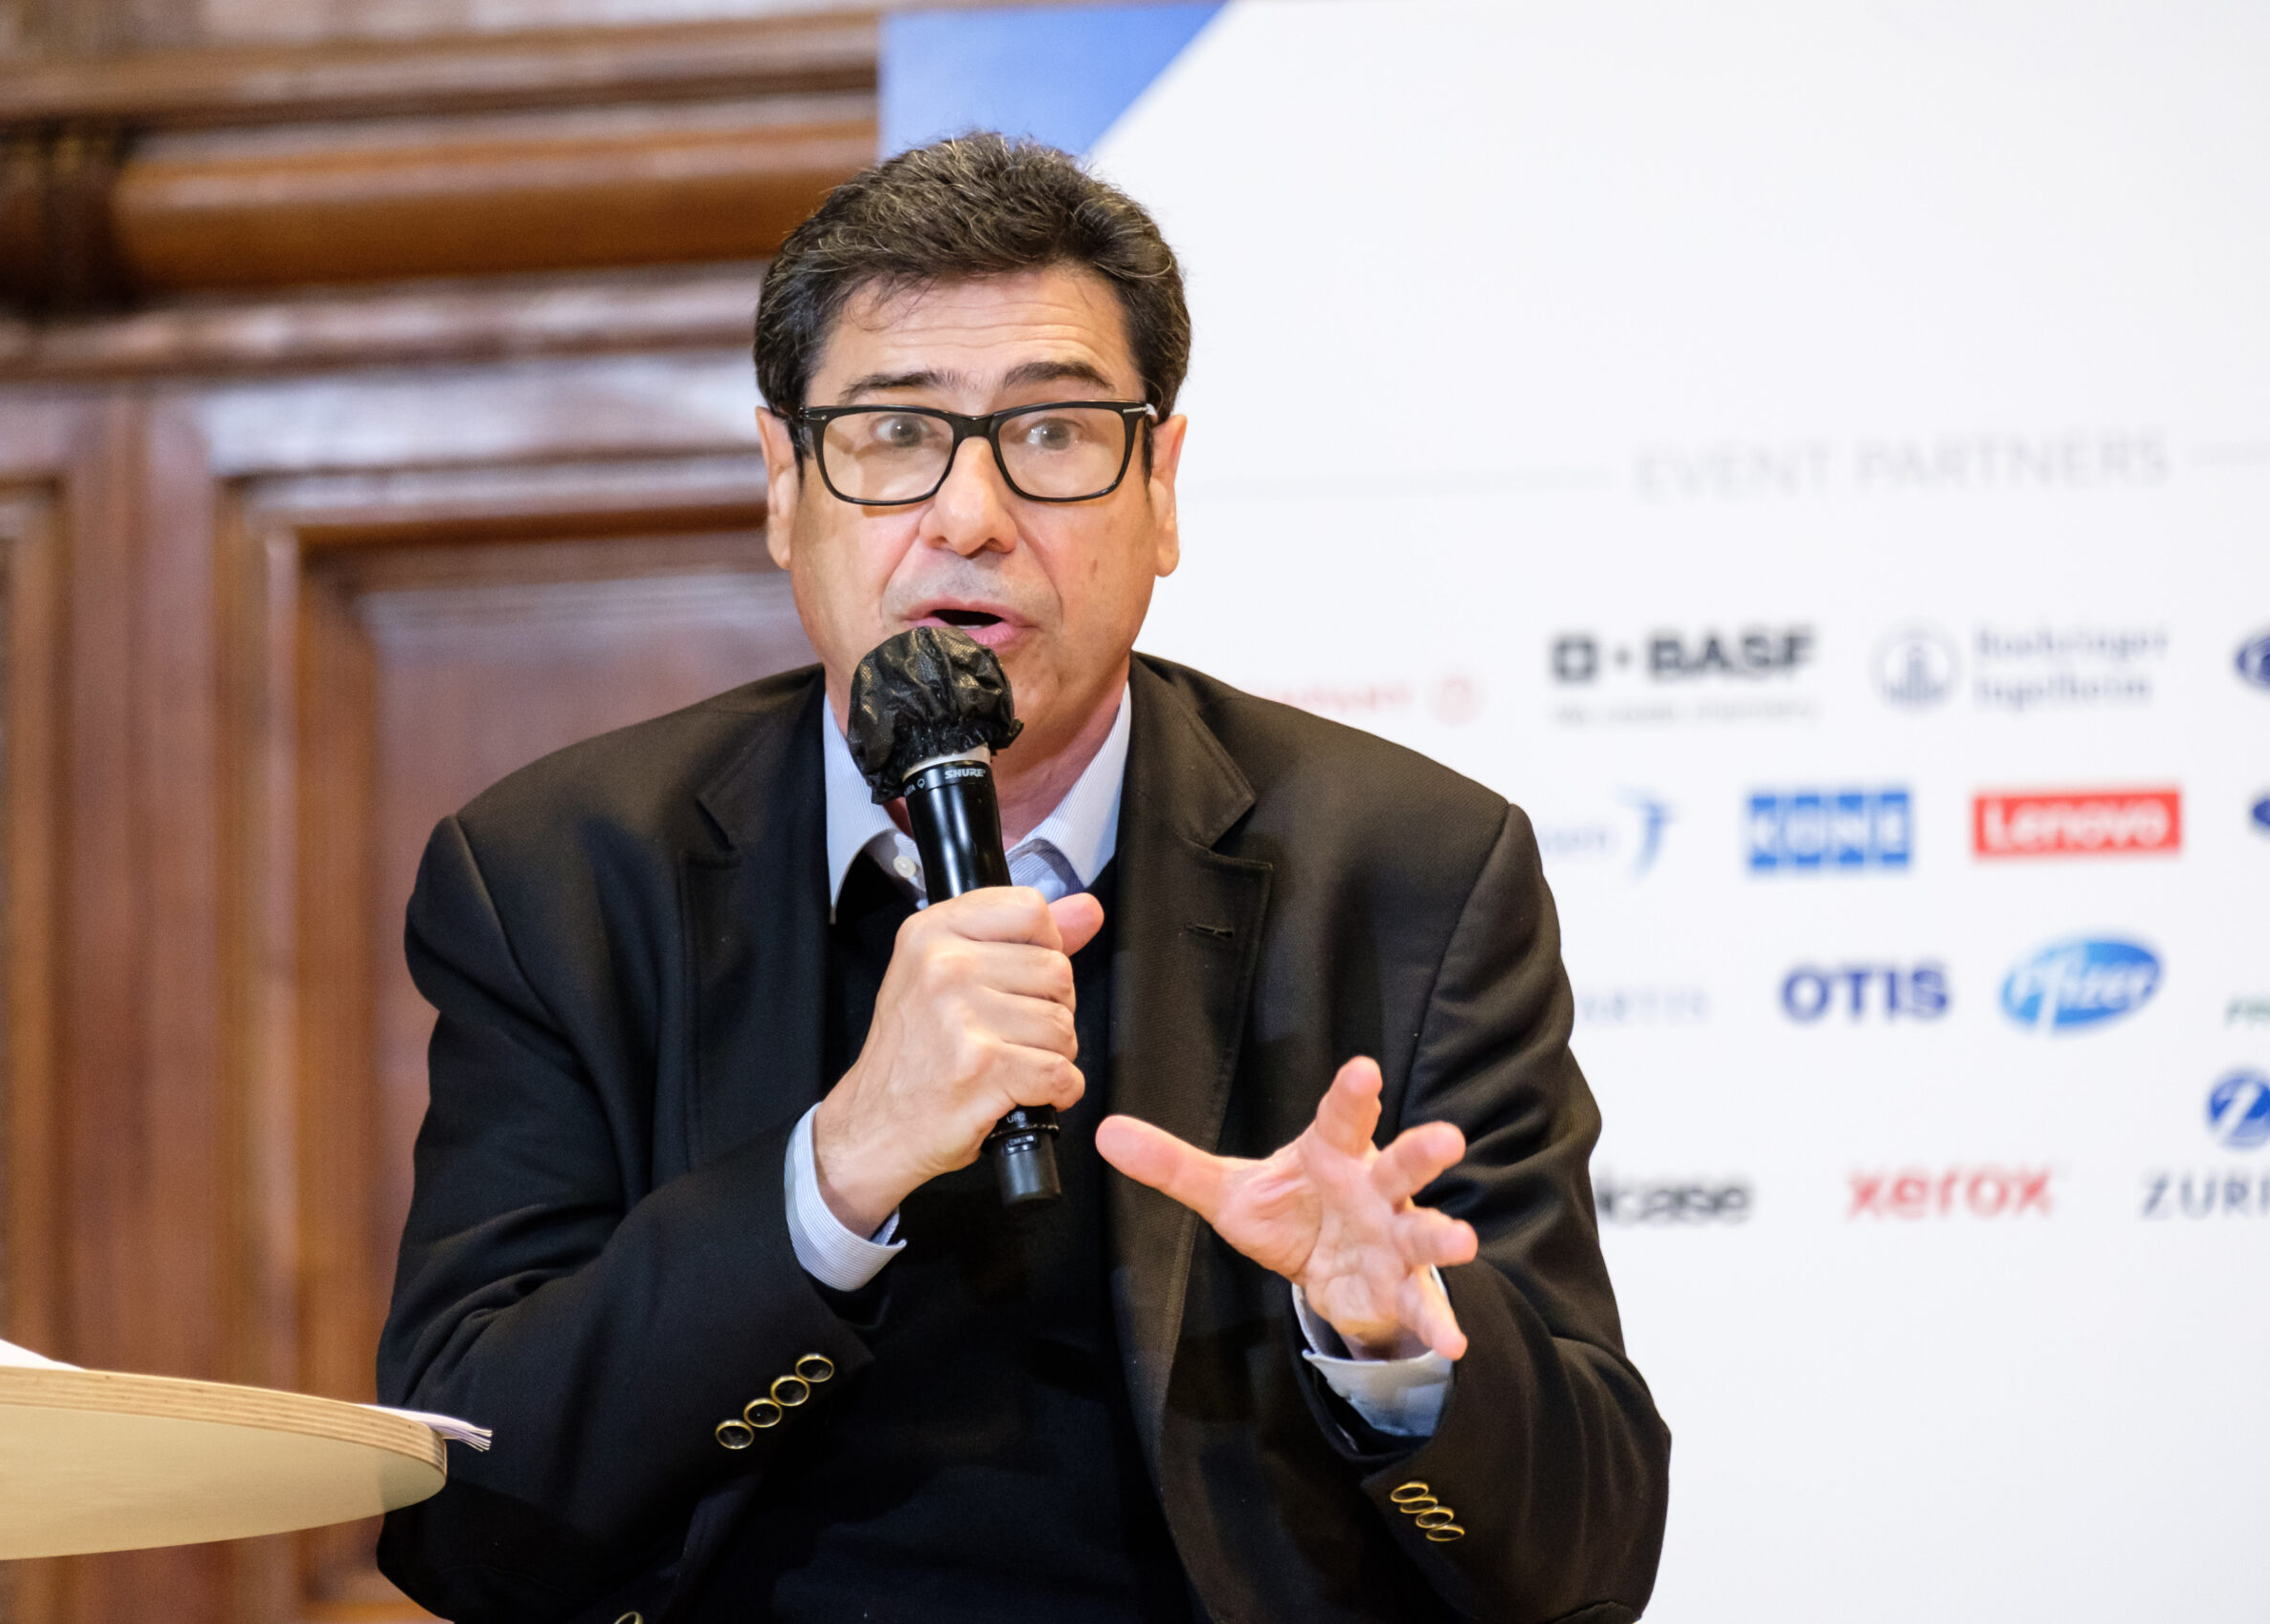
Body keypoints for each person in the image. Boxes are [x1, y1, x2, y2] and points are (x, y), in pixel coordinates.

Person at [377, 133, 1667, 1624]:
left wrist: (1393, 1347)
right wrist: (831, 1177)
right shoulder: (559, 879)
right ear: (785, 486)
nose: (971, 515)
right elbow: (465, 1525)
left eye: (1053, 433)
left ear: (1161, 489)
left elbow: (1590, 1571)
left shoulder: (1410, 873)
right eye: (893, 434)